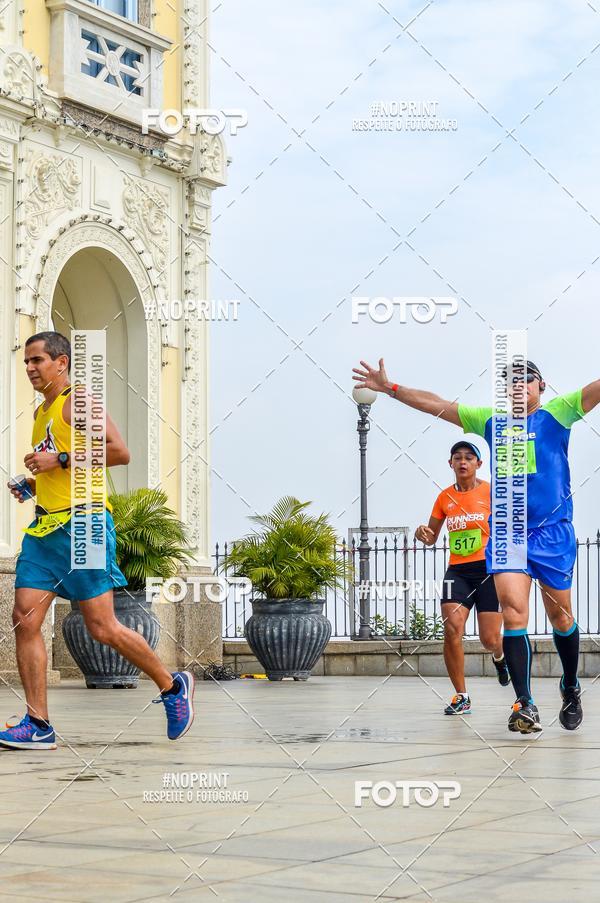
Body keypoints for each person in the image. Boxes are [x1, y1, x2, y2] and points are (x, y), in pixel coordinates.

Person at [353, 357, 600, 734]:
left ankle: (569, 684)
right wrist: (391, 389)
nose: (518, 385)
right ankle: (526, 704)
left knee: (560, 617)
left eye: (526, 379)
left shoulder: (558, 412)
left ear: (541, 386)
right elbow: (438, 405)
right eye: (510, 381)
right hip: (508, 533)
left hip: (552, 532)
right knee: (514, 614)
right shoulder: (490, 422)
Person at [0, 331, 194, 750]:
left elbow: (120, 452)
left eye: (38, 361)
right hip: (45, 530)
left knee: (102, 626)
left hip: (85, 525)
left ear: (62, 362)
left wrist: (61, 459)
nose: (31, 368)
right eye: (27, 362)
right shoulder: (42, 412)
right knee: (24, 618)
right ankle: (38, 724)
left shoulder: (79, 401)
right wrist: (37, 481)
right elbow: (67, 470)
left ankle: (172, 685)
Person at [415, 441, 509, 715]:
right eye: (458, 457)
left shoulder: (492, 492)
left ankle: (499, 657)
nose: (463, 461)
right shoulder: (445, 497)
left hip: (488, 570)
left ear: (479, 464)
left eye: (469, 457)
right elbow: (430, 537)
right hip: (457, 571)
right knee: (452, 629)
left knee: (490, 639)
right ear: (451, 464)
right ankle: (461, 695)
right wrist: (422, 533)